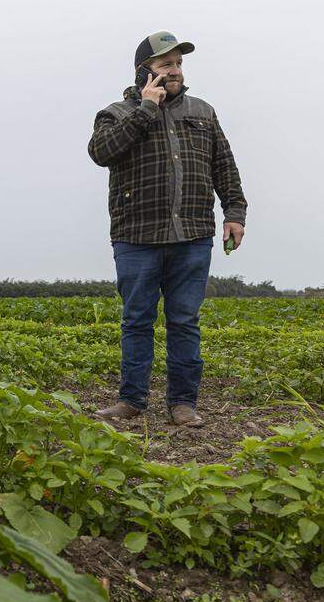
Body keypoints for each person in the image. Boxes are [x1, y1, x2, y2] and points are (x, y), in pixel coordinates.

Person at [87, 30, 248, 427]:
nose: (175, 71)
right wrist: (146, 108)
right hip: (136, 237)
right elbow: (100, 152)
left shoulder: (202, 112)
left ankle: (182, 404)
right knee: (137, 319)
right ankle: (131, 401)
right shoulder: (116, 113)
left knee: (184, 322)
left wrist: (235, 212)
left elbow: (223, 166)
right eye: (166, 65)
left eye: (178, 64)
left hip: (192, 235)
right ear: (146, 71)